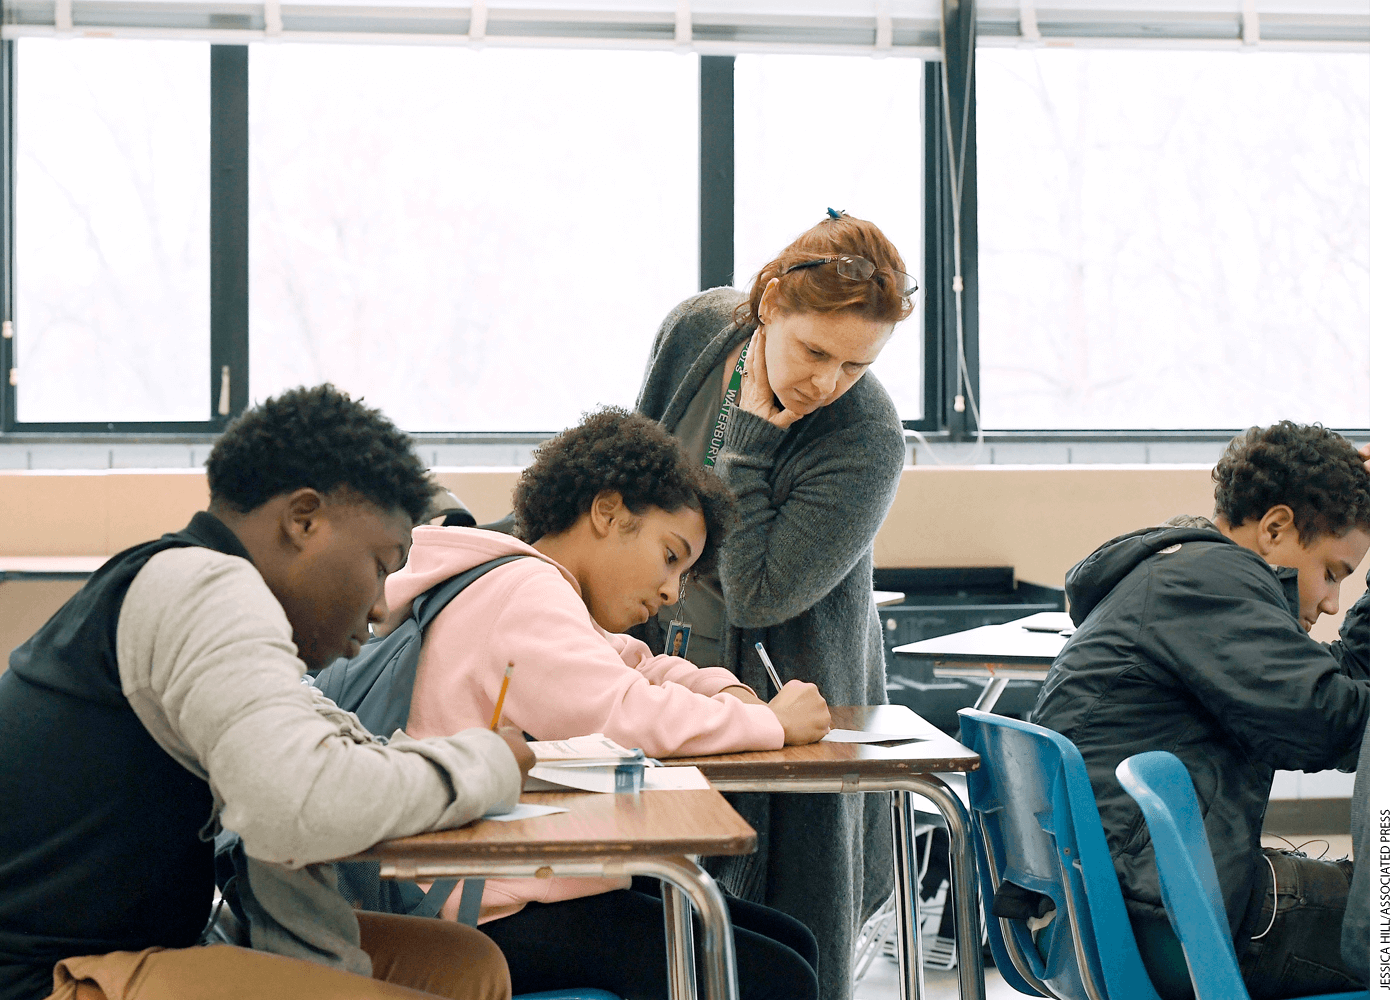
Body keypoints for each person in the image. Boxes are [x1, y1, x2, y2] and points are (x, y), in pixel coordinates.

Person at [0, 385, 532, 1000]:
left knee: (464, 964)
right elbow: (299, 805)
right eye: (382, 565)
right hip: (48, 976)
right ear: (304, 520)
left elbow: (321, 763)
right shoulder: (204, 588)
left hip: (158, 943)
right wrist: (488, 764)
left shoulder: (196, 583)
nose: (383, 606)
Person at [381, 407, 829, 1000]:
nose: (672, 592)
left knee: (791, 944)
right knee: (779, 975)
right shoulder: (525, 593)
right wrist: (768, 722)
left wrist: (725, 691)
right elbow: (625, 714)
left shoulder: (525, 585)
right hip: (475, 910)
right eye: (671, 556)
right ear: (608, 512)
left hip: (497, 884)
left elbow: (632, 665)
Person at [632, 210, 917, 1000]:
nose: (826, 382)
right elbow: (636, 471)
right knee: (660, 946)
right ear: (766, 306)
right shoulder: (696, 332)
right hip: (662, 687)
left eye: (855, 365)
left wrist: (753, 435)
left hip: (787, 713)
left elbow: (757, 589)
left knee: (785, 960)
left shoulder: (864, 438)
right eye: (815, 350)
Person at [1029, 421, 1370, 1000]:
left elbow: (1332, 689)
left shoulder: (1183, 573)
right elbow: (1329, 722)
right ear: (1276, 527)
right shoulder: (1209, 583)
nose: (1333, 601)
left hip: (1123, 902)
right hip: (1166, 921)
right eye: (1332, 573)